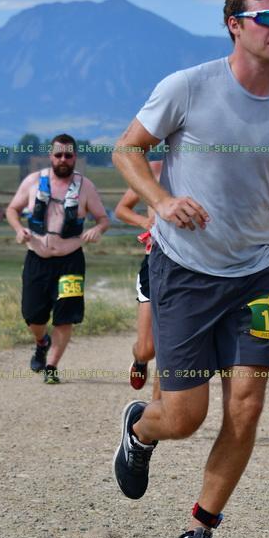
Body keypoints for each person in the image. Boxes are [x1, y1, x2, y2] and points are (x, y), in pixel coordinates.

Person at [111, 0, 269, 538]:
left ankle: (199, 532)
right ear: (234, 24)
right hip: (183, 271)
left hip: (254, 277)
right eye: (266, 19)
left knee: (248, 405)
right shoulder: (188, 86)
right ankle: (141, 428)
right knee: (184, 416)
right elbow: (127, 150)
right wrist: (161, 200)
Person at [6, 134, 109, 383]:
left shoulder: (85, 187)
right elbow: (12, 209)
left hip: (70, 261)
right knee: (33, 315)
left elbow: (103, 218)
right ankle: (42, 341)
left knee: (65, 316)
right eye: (58, 154)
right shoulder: (33, 181)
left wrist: (97, 229)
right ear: (50, 156)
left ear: (75, 157)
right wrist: (19, 230)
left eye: (68, 155)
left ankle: (51, 367)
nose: (63, 159)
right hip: (37, 258)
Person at [114, 160, 162, 396]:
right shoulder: (153, 170)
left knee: (171, 345)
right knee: (147, 350)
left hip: (194, 265)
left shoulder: (207, 169)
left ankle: (160, 407)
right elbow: (122, 209)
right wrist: (145, 221)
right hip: (156, 261)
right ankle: (140, 361)